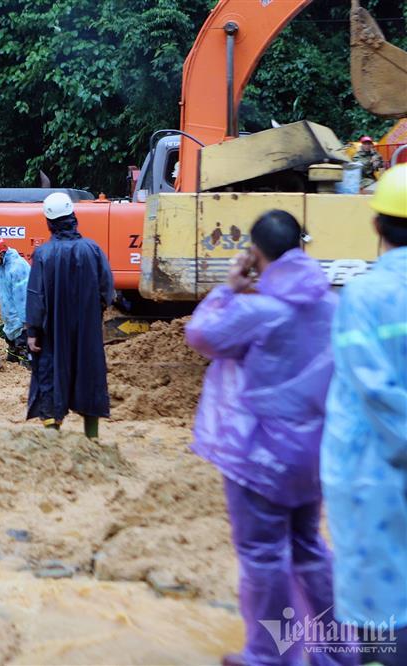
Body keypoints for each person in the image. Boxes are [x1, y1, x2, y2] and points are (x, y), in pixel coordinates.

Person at [186, 209, 352, 666]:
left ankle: (270, 654)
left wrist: (228, 288)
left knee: (264, 555)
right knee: (309, 548)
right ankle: (339, 651)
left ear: (254, 253)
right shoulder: (333, 305)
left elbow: (201, 335)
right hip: (312, 452)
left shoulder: (258, 311)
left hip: (260, 454)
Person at [322, 164, 407, 664]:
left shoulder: (363, 295)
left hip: (374, 473)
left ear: (376, 225)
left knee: (380, 602)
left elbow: (374, 390)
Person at [25, 192, 113, 437]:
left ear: (49, 222)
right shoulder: (93, 249)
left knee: (51, 376)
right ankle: (92, 440)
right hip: (87, 330)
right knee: (89, 376)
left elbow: (36, 295)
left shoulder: (43, 254)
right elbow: (107, 289)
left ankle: (52, 439)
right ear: (73, 218)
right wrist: (95, 314)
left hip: (52, 332)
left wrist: (32, 331)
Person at [0, 238, 30, 365]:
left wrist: (26, 322)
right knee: (13, 351)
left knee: (25, 354)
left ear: (1, 254)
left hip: (21, 323)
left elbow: (24, 298)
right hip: (11, 321)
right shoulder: (2, 267)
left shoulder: (17, 268)